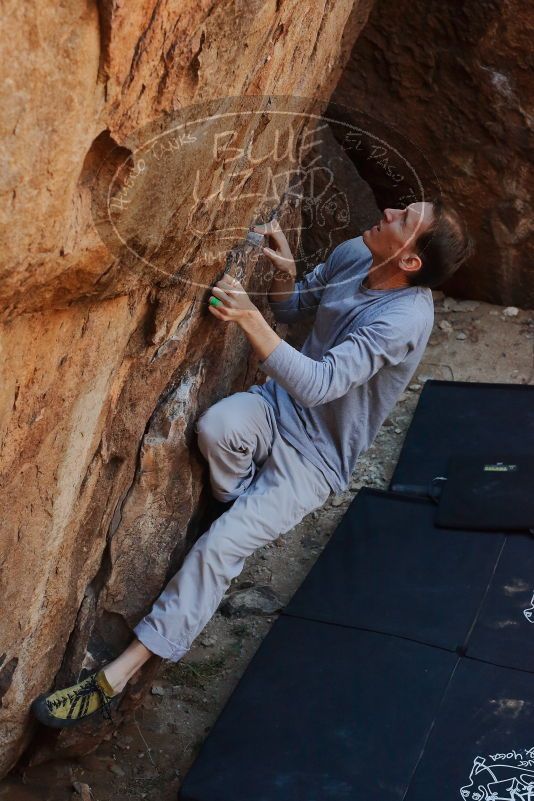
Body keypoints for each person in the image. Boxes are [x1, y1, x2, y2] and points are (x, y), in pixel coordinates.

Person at [32, 197, 473, 727]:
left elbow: (319, 384)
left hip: (317, 458)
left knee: (219, 546)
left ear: (410, 261)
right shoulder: (358, 252)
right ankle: (240, 510)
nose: (391, 210)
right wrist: (286, 278)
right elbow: (293, 309)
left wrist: (246, 316)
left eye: (405, 219)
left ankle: (115, 678)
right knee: (217, 429)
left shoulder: (402, 320)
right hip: (277, 407)